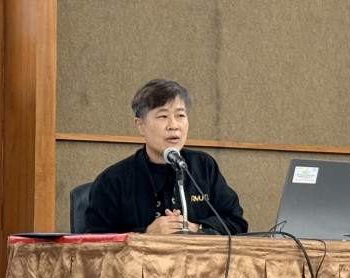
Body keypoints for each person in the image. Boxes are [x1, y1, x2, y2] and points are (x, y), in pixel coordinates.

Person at [81, 79, 247, 235]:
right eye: (163, 116)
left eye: (180, 116)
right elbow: (94, 242)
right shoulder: (113, 180)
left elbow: (236, 223)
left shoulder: (203, 166)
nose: (173, 126)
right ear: (140, 125)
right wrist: (146, 233)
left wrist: (197, 228)